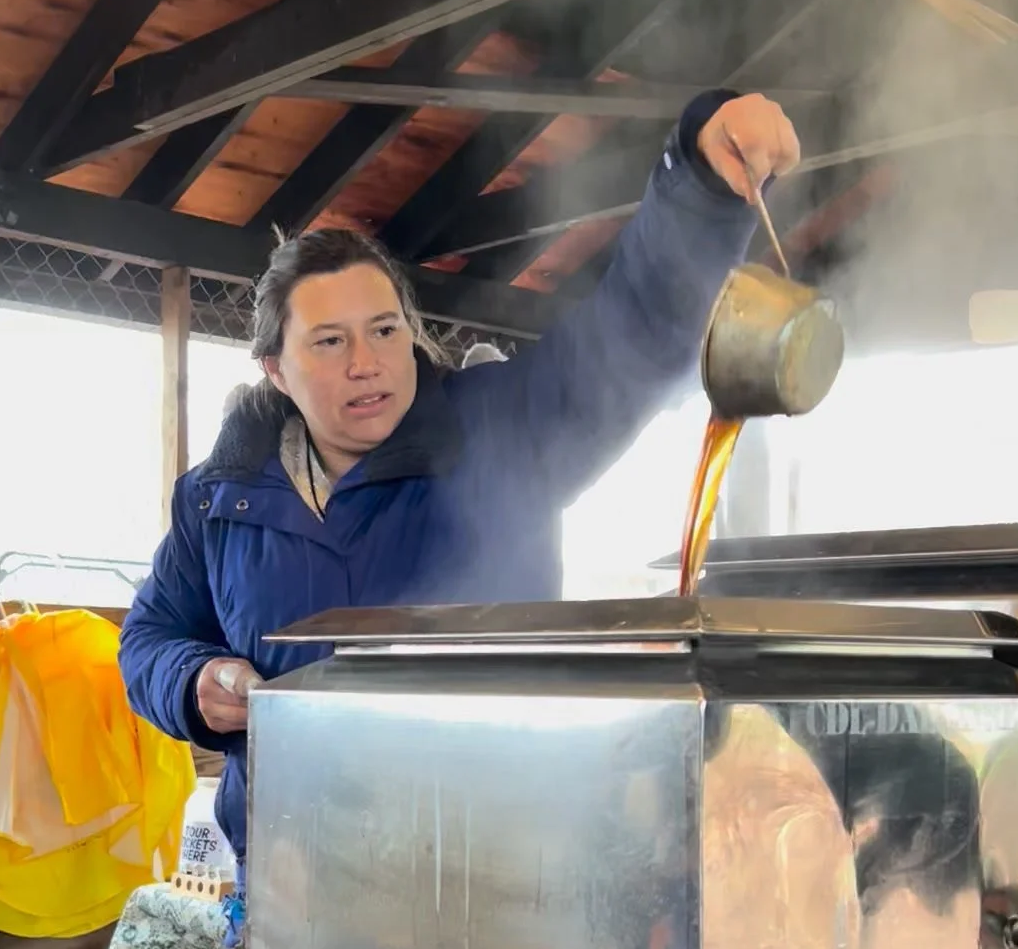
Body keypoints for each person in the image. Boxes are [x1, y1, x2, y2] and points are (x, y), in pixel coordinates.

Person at [120, 90, 800, 867]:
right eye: (330, 342)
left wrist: (701, 190)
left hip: (495, 863)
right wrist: (192, 680)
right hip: (294, 872)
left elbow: (634, 335)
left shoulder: (501, 436)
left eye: (385, 330)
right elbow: (149, 637)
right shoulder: (220, 497)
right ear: (276, 369)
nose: (367, 362)